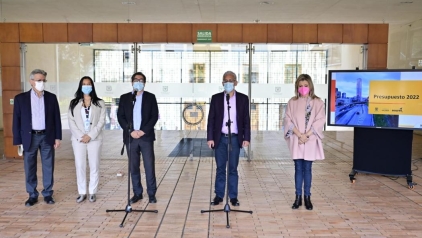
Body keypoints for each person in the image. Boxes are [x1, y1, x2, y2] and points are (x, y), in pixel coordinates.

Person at [12, 69, 62, 207]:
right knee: (29, 167)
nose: (41, 83)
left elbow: (56, 119)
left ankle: (47, 194)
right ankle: (32, 195)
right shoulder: (20, 99)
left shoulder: (51, 98)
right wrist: (18, 141)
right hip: (29, 138)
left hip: (47, 136)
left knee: (48, 166)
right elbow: (16, 120)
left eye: (43, 80)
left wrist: (57, 138)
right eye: (39, 80)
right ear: (31, 81)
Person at [207, 71, 251, 206]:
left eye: (231, 80)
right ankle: (219, 195)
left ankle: (233, 197)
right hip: (220, 139)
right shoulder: (216, 98)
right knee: (220, 168)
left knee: (233, 169)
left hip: (235, 139)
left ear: (236, 83)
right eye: (225, 80)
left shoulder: (243, 99)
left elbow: (246, 120)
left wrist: (247, 137)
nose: (228, 83)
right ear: (222, 83)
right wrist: (210, 138)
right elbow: (211, 120)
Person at [283, 74, 326, 210]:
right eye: (300, 86)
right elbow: (287, 119)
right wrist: (299, 134)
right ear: (297, 87)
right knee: (298, 169)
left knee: (307, 168)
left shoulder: (318, 102)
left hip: (310, 139)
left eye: (305, 86)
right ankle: (298, 197)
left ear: (310, 86)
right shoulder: (292, 102)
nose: (303, 88)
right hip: (297, 139)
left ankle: (307, 197)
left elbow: (320, 120)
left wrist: (306, 135)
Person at [117, 72, 159, 204]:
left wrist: (143, 131)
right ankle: (137, 193)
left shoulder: (151, 97)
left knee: (149, 166)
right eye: (136, 80)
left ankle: (151, 193)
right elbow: (120, 117)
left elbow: (154, 116)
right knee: (134, 167)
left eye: (141, 80)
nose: (138, 82)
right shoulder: (125, 98)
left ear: (144, 83)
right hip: (131, 138)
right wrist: (130, 131)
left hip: (145, 137)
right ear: (132, 82)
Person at [68, 76, 106, 203]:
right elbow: (71, 121)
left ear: (92, 86)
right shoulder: (74, 103)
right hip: (78, 139)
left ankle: (92, 192)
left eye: (88, 84)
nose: (86, 86)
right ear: (80, 86)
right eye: (84, 84)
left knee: (94, 165)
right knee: (80, 165)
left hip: (94, 138)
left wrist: (90, 135)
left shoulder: (100, 103)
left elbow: (101, 122)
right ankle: (82, 192)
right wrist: (81, 136)